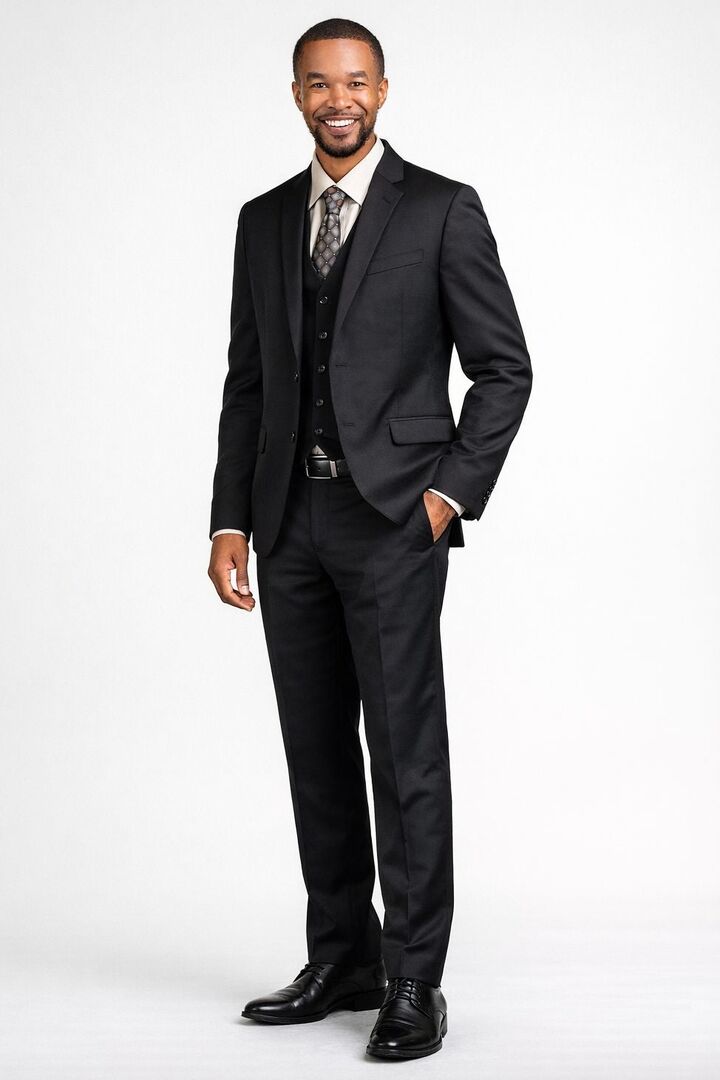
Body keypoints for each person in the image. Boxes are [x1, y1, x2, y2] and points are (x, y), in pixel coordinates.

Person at [207, 17, 532, 1061]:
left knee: (403, 756)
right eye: (318, 83)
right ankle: (341, 957)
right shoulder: (264, 220)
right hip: (286, 524)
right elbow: (249, 383)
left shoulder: (439, 208)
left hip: (393, 521)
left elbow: (504, 369)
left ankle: (413, 979)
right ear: (296, 94)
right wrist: (229, 517)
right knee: (315, 752)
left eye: (354, 81)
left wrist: (446, 498)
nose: (336, 99)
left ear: (382, 91)